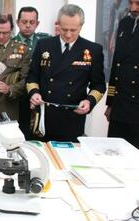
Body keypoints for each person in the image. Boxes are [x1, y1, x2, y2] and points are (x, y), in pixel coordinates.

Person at [26, 4, 106, 142]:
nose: (68, 35)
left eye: (73, 30)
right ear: (58, 25)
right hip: (44, 116)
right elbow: (32, 76)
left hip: (72, 118)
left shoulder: (93, 50)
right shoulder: (44, 45)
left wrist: (89, 101)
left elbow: (99, 85)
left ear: (81, 26)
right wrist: (34, 93)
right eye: (64, 29)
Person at [12, 7, 50, 139]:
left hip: (39, 94)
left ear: (37, 23)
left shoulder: (45, 43)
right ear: (17, 22)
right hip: (17, 97)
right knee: (19, 134)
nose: (28, 25)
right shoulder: (10, 43)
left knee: (38, 134)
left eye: (32, 22)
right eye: (24, 21)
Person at [105, 0, 139, 148]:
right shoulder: (125, 23)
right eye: (130, 2)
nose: (133, 8)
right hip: (120, 105)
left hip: (136, 107)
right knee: (113, 152)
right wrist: (110, 103)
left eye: (138, 3)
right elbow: (116, 65)